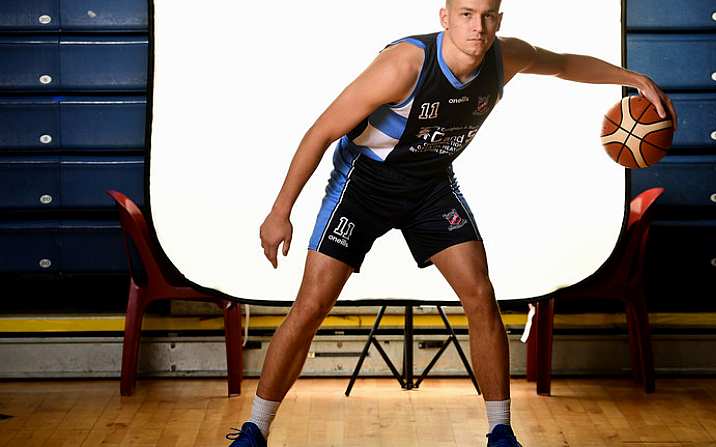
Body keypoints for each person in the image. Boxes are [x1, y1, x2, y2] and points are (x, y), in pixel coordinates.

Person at [226, 0, 677, 446]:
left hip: (429, 186)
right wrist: (280, 211)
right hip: (364, 183)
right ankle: (255, 430)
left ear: (498, 20)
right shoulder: (404, 64)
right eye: (465, 14)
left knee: (480, 296)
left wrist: (634, 79)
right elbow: (321, 131)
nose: (477, 27)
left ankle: (500, 432)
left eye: (486, 16)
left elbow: (561, 64)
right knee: (310, 308)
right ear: (445, 18)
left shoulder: (506, 56)